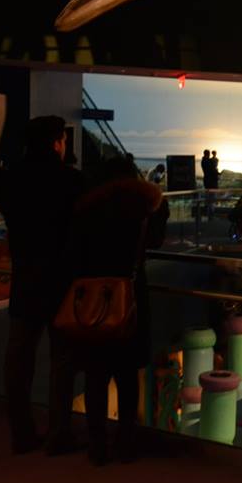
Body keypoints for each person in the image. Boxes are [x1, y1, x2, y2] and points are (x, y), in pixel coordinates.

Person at [68, 157, 169, 464]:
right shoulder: (144, 208)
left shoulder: (87, 208)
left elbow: (75, 250)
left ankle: (97, 445)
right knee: (127, 375)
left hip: (94, 299)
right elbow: (157, 240)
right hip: (129, 297)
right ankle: (126, 441)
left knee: (96, 375)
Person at [0, 115, 84, 455]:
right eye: (63, 140)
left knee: (19, 357)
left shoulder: (11, 180)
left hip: (25, 279)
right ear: (56, 142)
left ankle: (21, 432)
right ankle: (58, 433)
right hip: (61, 282)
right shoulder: (71, 181)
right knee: (62, 360)